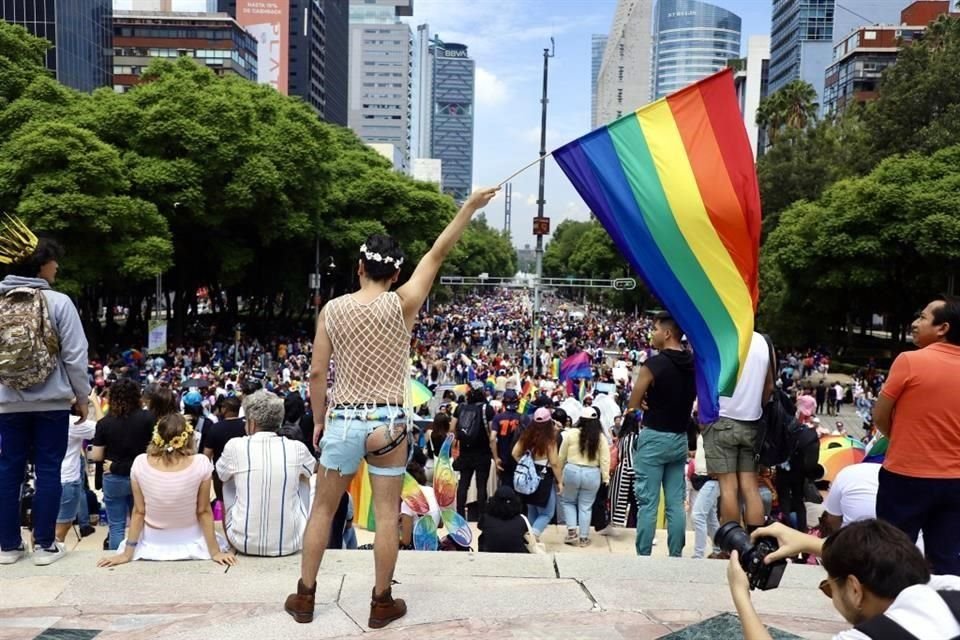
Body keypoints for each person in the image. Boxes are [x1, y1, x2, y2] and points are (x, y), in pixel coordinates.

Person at [286, 187, 499, 629]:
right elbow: (438, 253)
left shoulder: (331, 311)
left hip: (344, 419)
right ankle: (381, 602)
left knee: (322, 510)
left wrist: (320, 419)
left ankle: (304, 597)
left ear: (359, 267)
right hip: (389, 422)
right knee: (387, 516)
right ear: (397, 271)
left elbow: (317, 374)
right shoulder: (403, 303)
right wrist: (469, 207)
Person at [0, 229, 90, 566]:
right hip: (52, 402)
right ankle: (44, 545)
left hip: (7, 402)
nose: (56, 267)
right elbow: (75, 356)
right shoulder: (59, 302)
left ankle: (8, 546)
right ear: (40, 264)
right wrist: (82, 396)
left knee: (9, 470)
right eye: (53, 261)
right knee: (49, 469)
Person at [726, 520, 960, 640]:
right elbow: (888, 560)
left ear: (854, 589)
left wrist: (740, 595)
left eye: (830, 588)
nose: (831, 595)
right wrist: (807, 542)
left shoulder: (869, 637)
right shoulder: (950, 589)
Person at [874, 296, 960, 575]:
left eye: (922, 317)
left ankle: (894, 602)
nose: (914, 323)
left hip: (905, 476)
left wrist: (902, 439)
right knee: (947, 561)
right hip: (955, 481)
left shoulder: (909, 361)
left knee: (891, 556)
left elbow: (880, 415)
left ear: (943, 328)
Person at [96, 413, 236, 567]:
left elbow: (139, 512)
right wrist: (215, 552)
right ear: (188, 437)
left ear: (156, 436)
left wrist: (127, 554)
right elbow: (203, 511)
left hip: (151, 544)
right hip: (192, 542)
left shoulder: (140, 463)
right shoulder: (201, 463)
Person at [627, 312, 696, 557]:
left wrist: (643, 400)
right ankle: (675, 554)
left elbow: (633, 402)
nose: (652, 333)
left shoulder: (653, 365)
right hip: (679, 439)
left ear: (667, 334)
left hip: (654, 438)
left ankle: (644, 555)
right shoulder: (693, 364)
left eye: (655, 329)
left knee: (648, 502)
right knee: (676, 502)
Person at [217, 390, 316, 556]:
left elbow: (221, 475)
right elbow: (312, 470)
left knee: (228, 478)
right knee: (304, 476)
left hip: (243, 543)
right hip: (291, 542)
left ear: (252, 423)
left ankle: (240, 525)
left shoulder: (235, 446)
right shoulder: (297, 448)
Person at [702, 331, 771, 536]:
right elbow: (769, 386)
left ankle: (734, 544)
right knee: (750, 487)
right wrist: (755, 407)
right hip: (752, 423)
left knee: (728, 488)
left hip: (722, 419)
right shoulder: (763, 341)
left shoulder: (722, 336)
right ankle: (756, 543)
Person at [89, 379, 154, 550]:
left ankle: (115, 556)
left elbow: (96, 455)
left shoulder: (105, 423)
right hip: (141, 476)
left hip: (113, 476)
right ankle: (139, 552)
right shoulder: (148, 418)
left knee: (116, 526)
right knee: (140, 520)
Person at [54, 392, 102, 547]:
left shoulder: (40, 421)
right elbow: (103, 429)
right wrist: (94, 402)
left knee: (42, 526)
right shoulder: (72, 423)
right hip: (67, 479)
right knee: (60, 529)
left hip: (45, 478)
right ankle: (49, 553)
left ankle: (40, 550)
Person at [558, 407, 610, 548]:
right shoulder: (600, 438)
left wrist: (558, 474)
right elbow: (605, 459)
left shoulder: (571, 433)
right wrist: (606, 478)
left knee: (568, 502)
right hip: (592, 474)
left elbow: (561, 456)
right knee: (585, 506)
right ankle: (584, 538)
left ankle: (571, 532)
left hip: (571, 471)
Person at [511, 407, 563, 540]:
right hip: (543, 475)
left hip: (528, 476)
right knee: (547, 513)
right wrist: (560, 482)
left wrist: (527, 464)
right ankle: (533, 535)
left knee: (532, 509)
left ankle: (530, 537)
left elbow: (515, 453)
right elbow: (554, 462)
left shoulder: (526, 436)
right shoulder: (550, 440)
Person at [452, 382, 496, 519]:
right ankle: (482, 516)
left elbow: (452, 428)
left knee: (463, 484)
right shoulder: (487, 409)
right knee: (481, 485)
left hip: (465, 451)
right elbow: (491, 432)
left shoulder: (460, 408)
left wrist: (458, 441)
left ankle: (460, 514)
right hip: (483, 452)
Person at [200, 395, 244, 502]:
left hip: (221, 475)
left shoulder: (215, 428)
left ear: (225, 409)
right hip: (242, 472)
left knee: (223, 503)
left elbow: (206, 455)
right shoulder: (246, 426)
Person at [821, 462, 880, 537]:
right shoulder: (848, 473)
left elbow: (833, 518)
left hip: (849, 538)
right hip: (888, 538)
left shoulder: (847, 473)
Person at [610, 410, 640, 529]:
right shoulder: (633, 437)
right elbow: (630, 456)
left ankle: (616, 523)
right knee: (636, 502)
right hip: (630, 472)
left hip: (620, 470)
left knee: (619, 500)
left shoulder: (622, 437)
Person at [478, 486, 528, 553]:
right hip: (517, 554)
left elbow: (480, 527)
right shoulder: (522, 520)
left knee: (482, 537)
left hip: (491, 552)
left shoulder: (485, 518)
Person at [491, 388, 524, 488]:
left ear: (504, 403)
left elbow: (492, 438)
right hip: (519, 458)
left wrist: (496, 457)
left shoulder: (498, 418)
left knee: (505, 486)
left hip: (503, 457)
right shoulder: (523, 418)